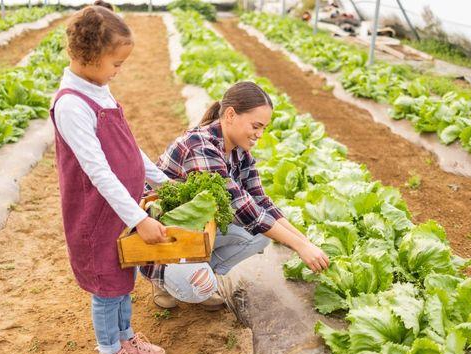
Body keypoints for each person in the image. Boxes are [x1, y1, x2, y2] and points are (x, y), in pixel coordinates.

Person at [50, 1, 170, 354]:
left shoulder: (100, 90)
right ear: (88, 57)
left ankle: (124, 337)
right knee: (106, 284)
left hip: (119, 208)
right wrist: (140, 218)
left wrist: (164, 182)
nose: (118, 71)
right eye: (115, 64)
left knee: (123, 275)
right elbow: (98, 170)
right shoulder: (71, 103)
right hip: (95, 213)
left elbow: (129, 150)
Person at [140, 82, 329, 310]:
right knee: (199, 286)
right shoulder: (200, 147)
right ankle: (166, 281)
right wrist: (300, 247)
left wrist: (305, 242)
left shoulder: (240, 151)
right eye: (256, 126)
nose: (259, 134)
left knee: (262, 235)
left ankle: (202, 274)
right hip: (165, 235)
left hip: (199, 227)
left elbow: (261, 201)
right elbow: (241, 207)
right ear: (230, 114)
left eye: (264, 129)